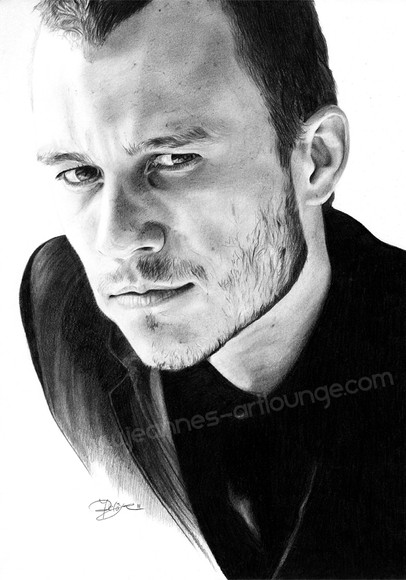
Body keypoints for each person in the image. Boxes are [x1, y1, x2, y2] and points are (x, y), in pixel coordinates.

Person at [20, 1, 405, 578]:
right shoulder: (61, 306)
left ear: (317, 160)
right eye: (80, 173)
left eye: (174, 159)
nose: (115, 239)